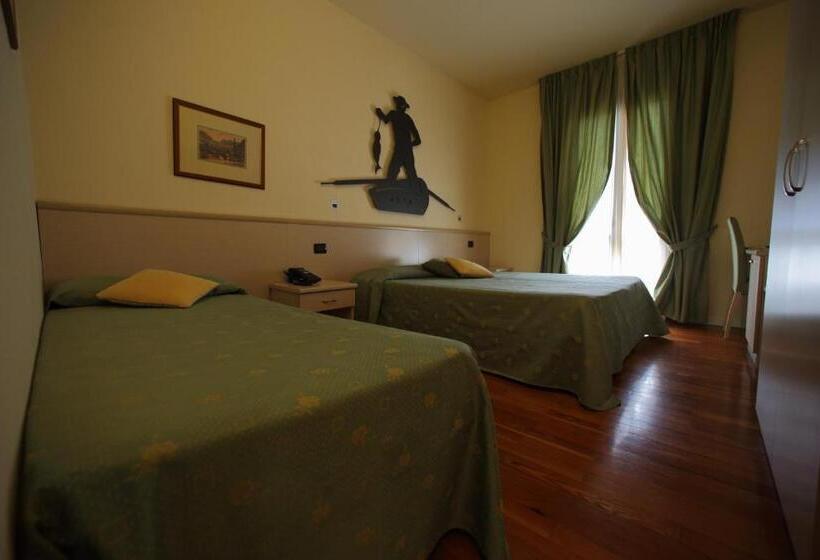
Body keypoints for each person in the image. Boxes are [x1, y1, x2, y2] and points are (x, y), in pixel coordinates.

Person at [375, 96, 421, 180]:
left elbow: (385, 120)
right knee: (411, 175)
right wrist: (408, 144)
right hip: (407, 150)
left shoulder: (394, 114)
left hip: (399, 149)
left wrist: (379, 113)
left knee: (391, 175)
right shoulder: (407, 118)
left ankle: (394, 187)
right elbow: (418, 141)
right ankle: (413, 186)